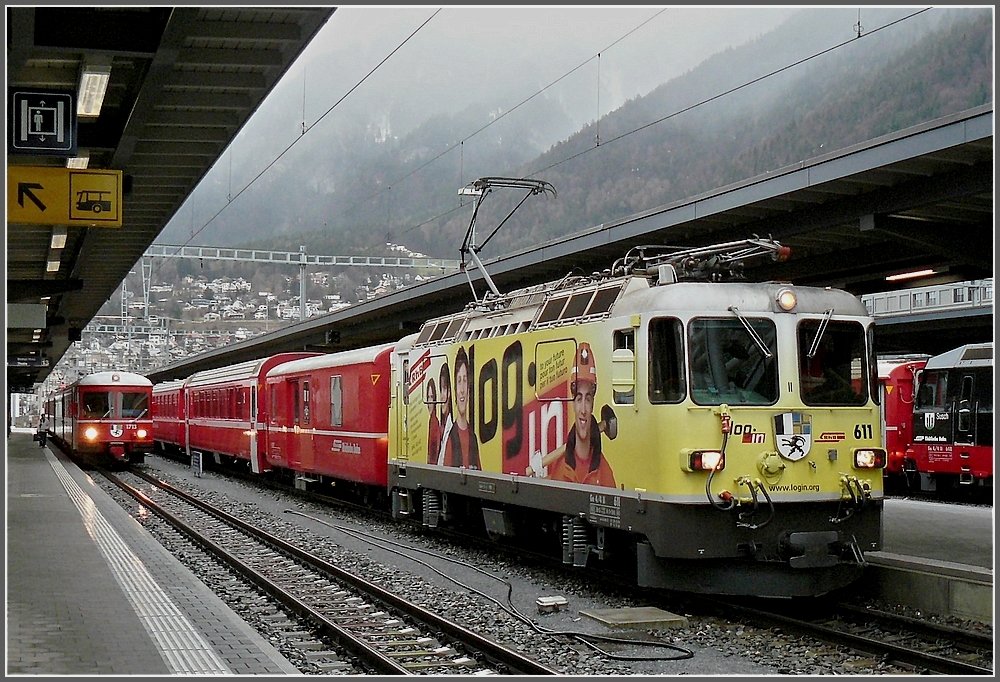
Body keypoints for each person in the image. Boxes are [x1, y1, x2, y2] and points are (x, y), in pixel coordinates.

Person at [549, 342, 616, 487]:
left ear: (593, 404)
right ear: (573, 403)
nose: (583, 409)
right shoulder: (558, 469)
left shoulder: (605, 473)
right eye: (579, 399)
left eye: (588, 398)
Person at [443, 347, 481, 469]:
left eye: (465, 381)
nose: (462, 390)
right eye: (459, 381)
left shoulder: (473, 437)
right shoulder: (450, 437)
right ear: (454, 388)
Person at [435, 363, 453, 466]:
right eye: (441, 389)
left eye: (445, 389)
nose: (442, 396)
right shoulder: (442, 426)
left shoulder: (452, 428)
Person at [426, 378, 441, 464]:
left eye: (432, 397)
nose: (430, 402)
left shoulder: (434, 423)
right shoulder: (431, 421)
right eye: (428, 397)